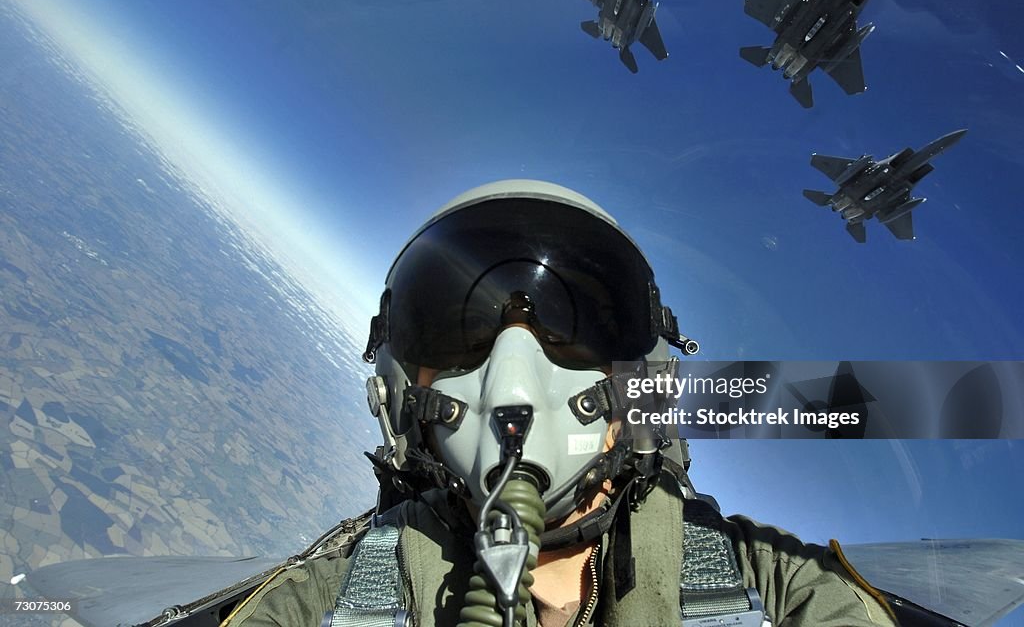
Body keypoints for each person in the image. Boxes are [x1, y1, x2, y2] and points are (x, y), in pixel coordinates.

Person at [222, 180, 898, 627]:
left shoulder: (769, 585)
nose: (514, 382)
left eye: (575, 336)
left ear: (638, 391)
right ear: (402, 389)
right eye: (460, 333)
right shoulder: (341, 595)